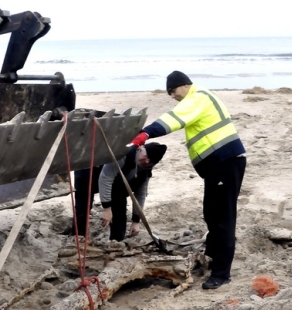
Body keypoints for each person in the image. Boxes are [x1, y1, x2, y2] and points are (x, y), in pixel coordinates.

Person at [131, 71, 246, 290]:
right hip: (218, 166)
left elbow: (174, 119)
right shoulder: (199, 98)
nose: (173, 97)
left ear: (183, 86)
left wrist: (147, 133)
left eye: (172, 92)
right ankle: (211, 259)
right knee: (211, 214)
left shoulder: (197, 98)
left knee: (223, 218)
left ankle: (222, 274)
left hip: (225, 162)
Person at [71, 143, 167, 241]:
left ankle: (116, 242)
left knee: (119, 208)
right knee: (83, 207)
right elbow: (105, 179)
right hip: (89, 172)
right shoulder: (124, 154)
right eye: (146, 156)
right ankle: (77, 237)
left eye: (150, 162)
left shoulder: (146, 170)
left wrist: (136, 220)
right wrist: (106, 209)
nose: (146, 161)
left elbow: (140, 194)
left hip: (117, 181)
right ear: (141, 148)